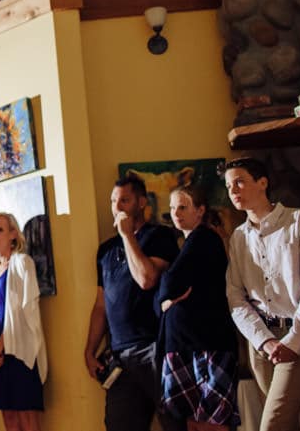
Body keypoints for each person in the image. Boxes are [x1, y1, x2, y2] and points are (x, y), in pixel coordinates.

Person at [222, 157, 300, 431]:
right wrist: (264, 341)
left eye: (239, 182)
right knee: (285, 425)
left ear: (262, 182)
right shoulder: (239, 237)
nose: (234, 191)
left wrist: (292, 341)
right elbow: (236, 297)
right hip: (261, 345)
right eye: (229, 186)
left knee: (272, 425)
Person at [83, 176, 180, 431]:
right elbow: (101, 305)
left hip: (155, 348)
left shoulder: (160, 236)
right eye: (113, 201)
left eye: (124, 200)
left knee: (175, 422)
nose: (117, 207)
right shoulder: (105, 250)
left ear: (141, 202)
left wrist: (127, 236)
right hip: (119, 356)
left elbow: (147, 279)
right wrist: (89, 350)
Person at [157, 186, 239, 431]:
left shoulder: (204, 238)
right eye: (172, 208)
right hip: (188, 345)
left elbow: (170, 284)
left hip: (206, 345)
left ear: (200, 210)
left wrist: (167, 297)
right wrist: (165, 299)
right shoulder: (187, 243)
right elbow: (164, 294)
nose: (176, 213)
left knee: (212, 422)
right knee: (191, 421)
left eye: (183, 207)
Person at [0, 212, 46, 431]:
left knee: (26, 415)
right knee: (8, 416)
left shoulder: (22, 263)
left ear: (13, 234)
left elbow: (19, 312)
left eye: (0, 229)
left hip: (18, 349)